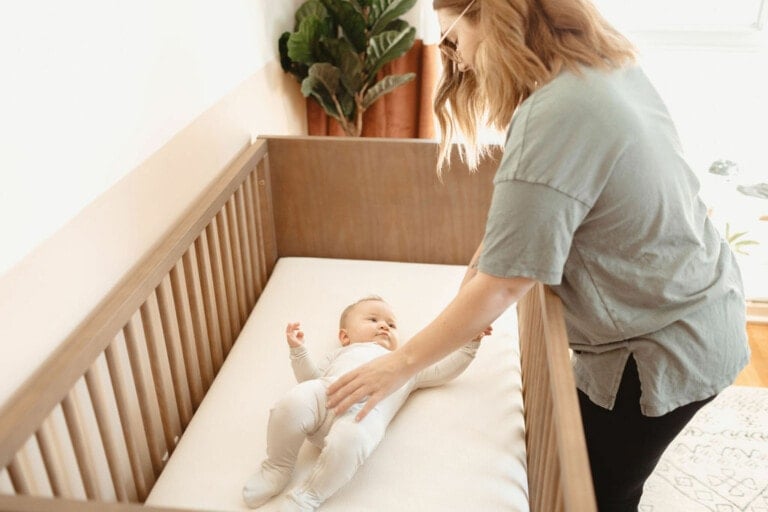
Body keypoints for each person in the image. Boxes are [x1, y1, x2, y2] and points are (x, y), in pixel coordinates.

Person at [325, 1, 751, 510]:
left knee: (594, 492)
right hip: (705, 297)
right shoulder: (602, 65)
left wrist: (399, 365)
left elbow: (507, 283)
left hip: (662, 342)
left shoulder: (555, 112)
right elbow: (539, 209)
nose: (456, 64)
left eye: (452, 42)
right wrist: (481, 272)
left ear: (494, 18)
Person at [242, 295, 488, 511]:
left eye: (391, 324)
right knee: (291, 403)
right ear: (344, 336)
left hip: (363, 413)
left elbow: (444, 371)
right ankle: (277, 467)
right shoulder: (342, 353)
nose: (384, 325)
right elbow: (311, 379)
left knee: (352, 441)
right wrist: (298, 352)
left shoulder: (406, 363)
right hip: (327, 395)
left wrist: (470, 345)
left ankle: (308, 495)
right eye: (372, 320)